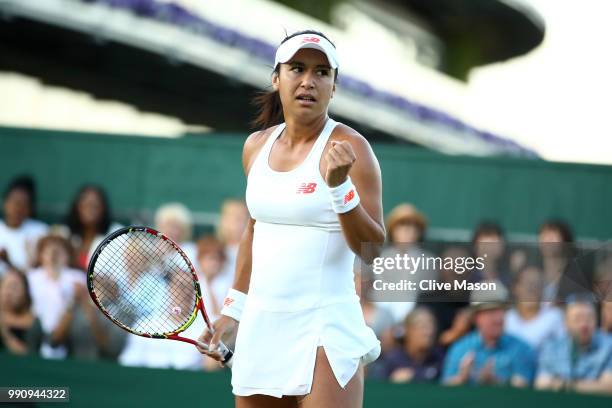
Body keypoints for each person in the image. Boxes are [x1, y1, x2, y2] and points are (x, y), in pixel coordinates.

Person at [198, 30, 384, 407]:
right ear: (276, 78)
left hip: (326, 329)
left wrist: (339, 189)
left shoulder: (353, 149)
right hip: (261, 327)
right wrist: (233, 312)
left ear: (333, 86)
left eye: (321, 72)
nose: (308, 81)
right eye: (297, 68)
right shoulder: (255, 147)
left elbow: (372, 250)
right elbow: (254, 230)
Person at [441, 287, 535, 387]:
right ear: (476, 318)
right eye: (491, 312)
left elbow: (524, 389)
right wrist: (462, 379)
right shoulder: (460, 349)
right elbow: (444, 389)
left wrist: (496, 383)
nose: (498, 318)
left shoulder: (520, 349)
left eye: (502, 311)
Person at [26, 234, 86, 358]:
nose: (53, 254)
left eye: (59, 251)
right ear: (41, 255)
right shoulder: (31, 277)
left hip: (68, 330)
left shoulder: (78, 277)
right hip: (35, 329)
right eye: (48, 251)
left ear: (68, 256)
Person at [536, 299, 612, 394]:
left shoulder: (609, 345)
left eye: (589, 318)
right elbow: (542, 384)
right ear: (565, 323)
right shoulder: (551, 347)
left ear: (597, 320)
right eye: (577, 319)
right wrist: (591, 385)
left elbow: (608, 387)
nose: (584, 324)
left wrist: (563, 385)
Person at [504, 266, 565, 351]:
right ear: (515, 288)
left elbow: (562, 350)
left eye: (537, 284)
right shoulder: (505, 318)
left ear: (543, 288)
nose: (531, 288)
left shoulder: (555, 316)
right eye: (526, 283)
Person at [378, 307, 444, 383]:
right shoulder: (393, 359)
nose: (429, 332)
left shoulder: (439, 357)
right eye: (423, 327)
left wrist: (413, 375)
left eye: (431, 327)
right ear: (408, 330)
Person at [65, 185, 121, 270]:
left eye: (95, 206)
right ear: (77, 208)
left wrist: (106, 282)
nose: (89, 210)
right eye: (85, 205)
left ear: (103, 209)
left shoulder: (118, 234)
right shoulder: (63, 233)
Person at [0, 176, 48, 275]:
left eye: (23, 204)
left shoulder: (41, 231)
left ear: (29, 209)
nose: (18, 208)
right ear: (5, 203)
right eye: (15, 202)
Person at [0, 267, 43, 354]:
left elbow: (28, 356)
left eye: (14, 287)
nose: (8, 292)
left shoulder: (34, 323)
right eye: (5, 286)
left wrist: (4, 333)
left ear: (25, 292)